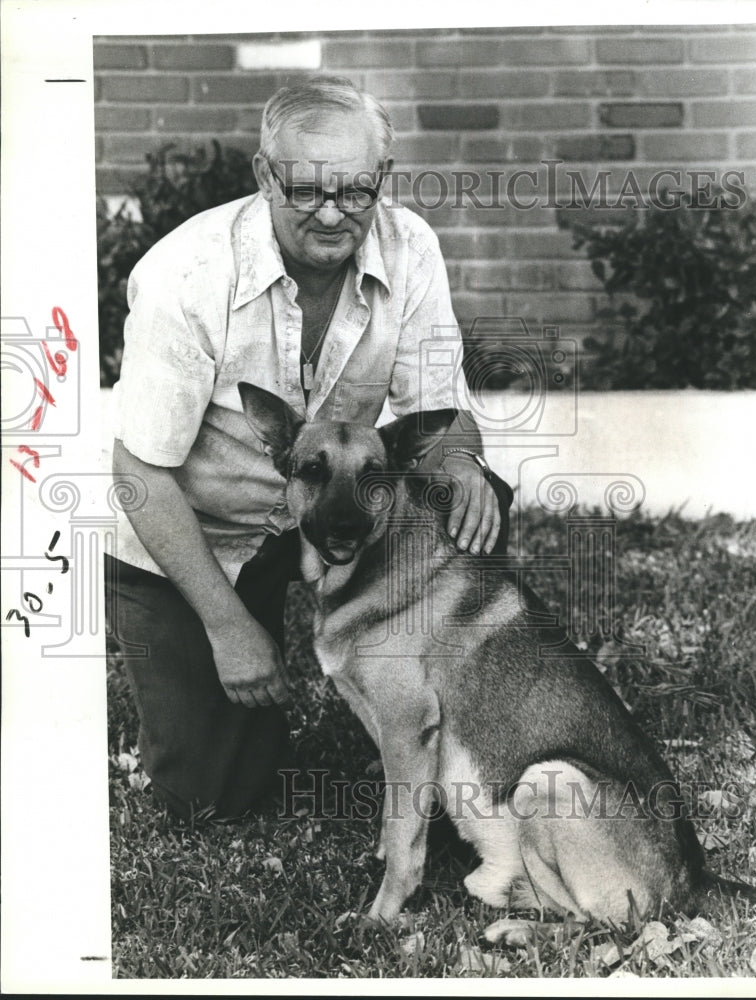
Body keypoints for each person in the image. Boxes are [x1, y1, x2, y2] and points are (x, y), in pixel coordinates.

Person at [106, 76, 512, 821]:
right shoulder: (187, 274)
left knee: (477, 501)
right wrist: (229, 627)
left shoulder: (410, 245)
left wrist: (461, 463)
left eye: (355, 192)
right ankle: (186, 670)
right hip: (200, 530)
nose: (332, 213)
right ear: (265, 175)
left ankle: (451, 718)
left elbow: (439, 409)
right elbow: (138, 473)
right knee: (210, 796)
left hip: (335, 508)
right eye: (305, 190)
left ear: (381, 180)